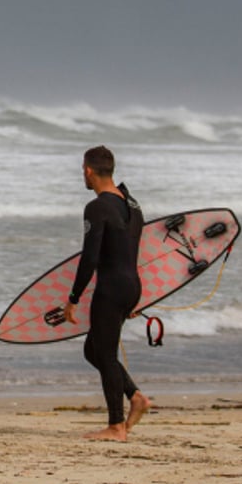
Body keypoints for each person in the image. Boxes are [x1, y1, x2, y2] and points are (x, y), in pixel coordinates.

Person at [61, 145, 151, 441]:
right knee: (94, 350)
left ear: (88, 170)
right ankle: (135, 396)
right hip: (130, 285)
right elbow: (134, 252)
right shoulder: (132, 204)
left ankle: (116, 426)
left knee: (105, 353)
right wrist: (137, 295)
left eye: (82, 171)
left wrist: (73, 299)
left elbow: (90, 258)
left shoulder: (96, 207)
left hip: (111, 288)